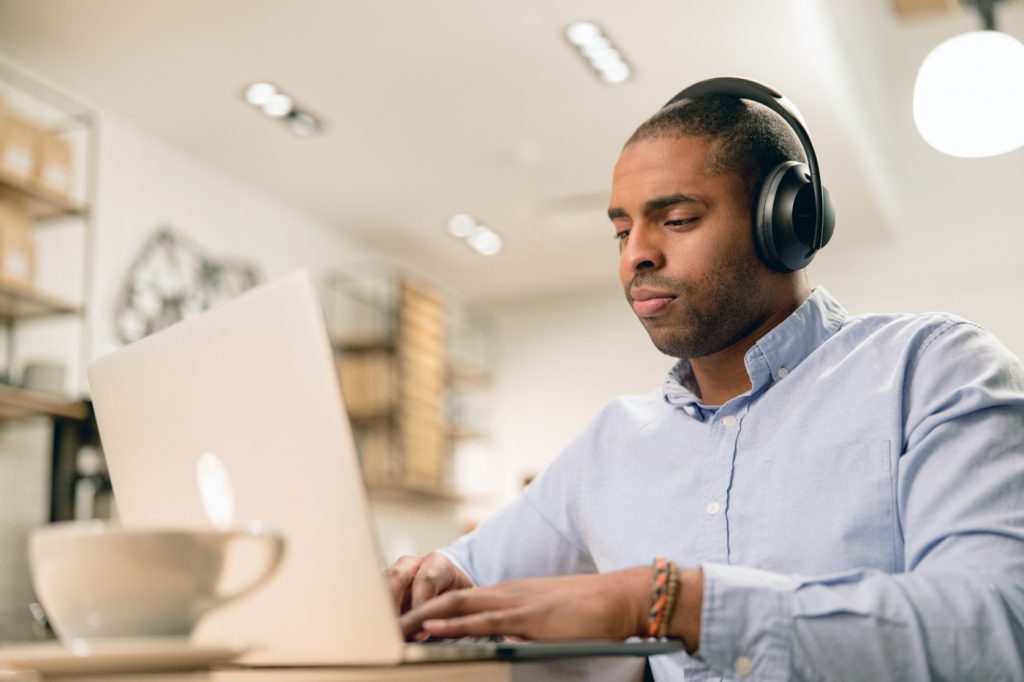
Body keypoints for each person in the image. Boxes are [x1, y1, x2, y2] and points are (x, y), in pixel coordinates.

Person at [387, 79, 1024, 681]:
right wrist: (431, 578)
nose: (636, 253)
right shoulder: (613, 442)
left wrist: (673, 603)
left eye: (678, 220)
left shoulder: (933, 369)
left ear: (786, 224)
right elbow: (469, 573)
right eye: (621, 229)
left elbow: (997, 624)